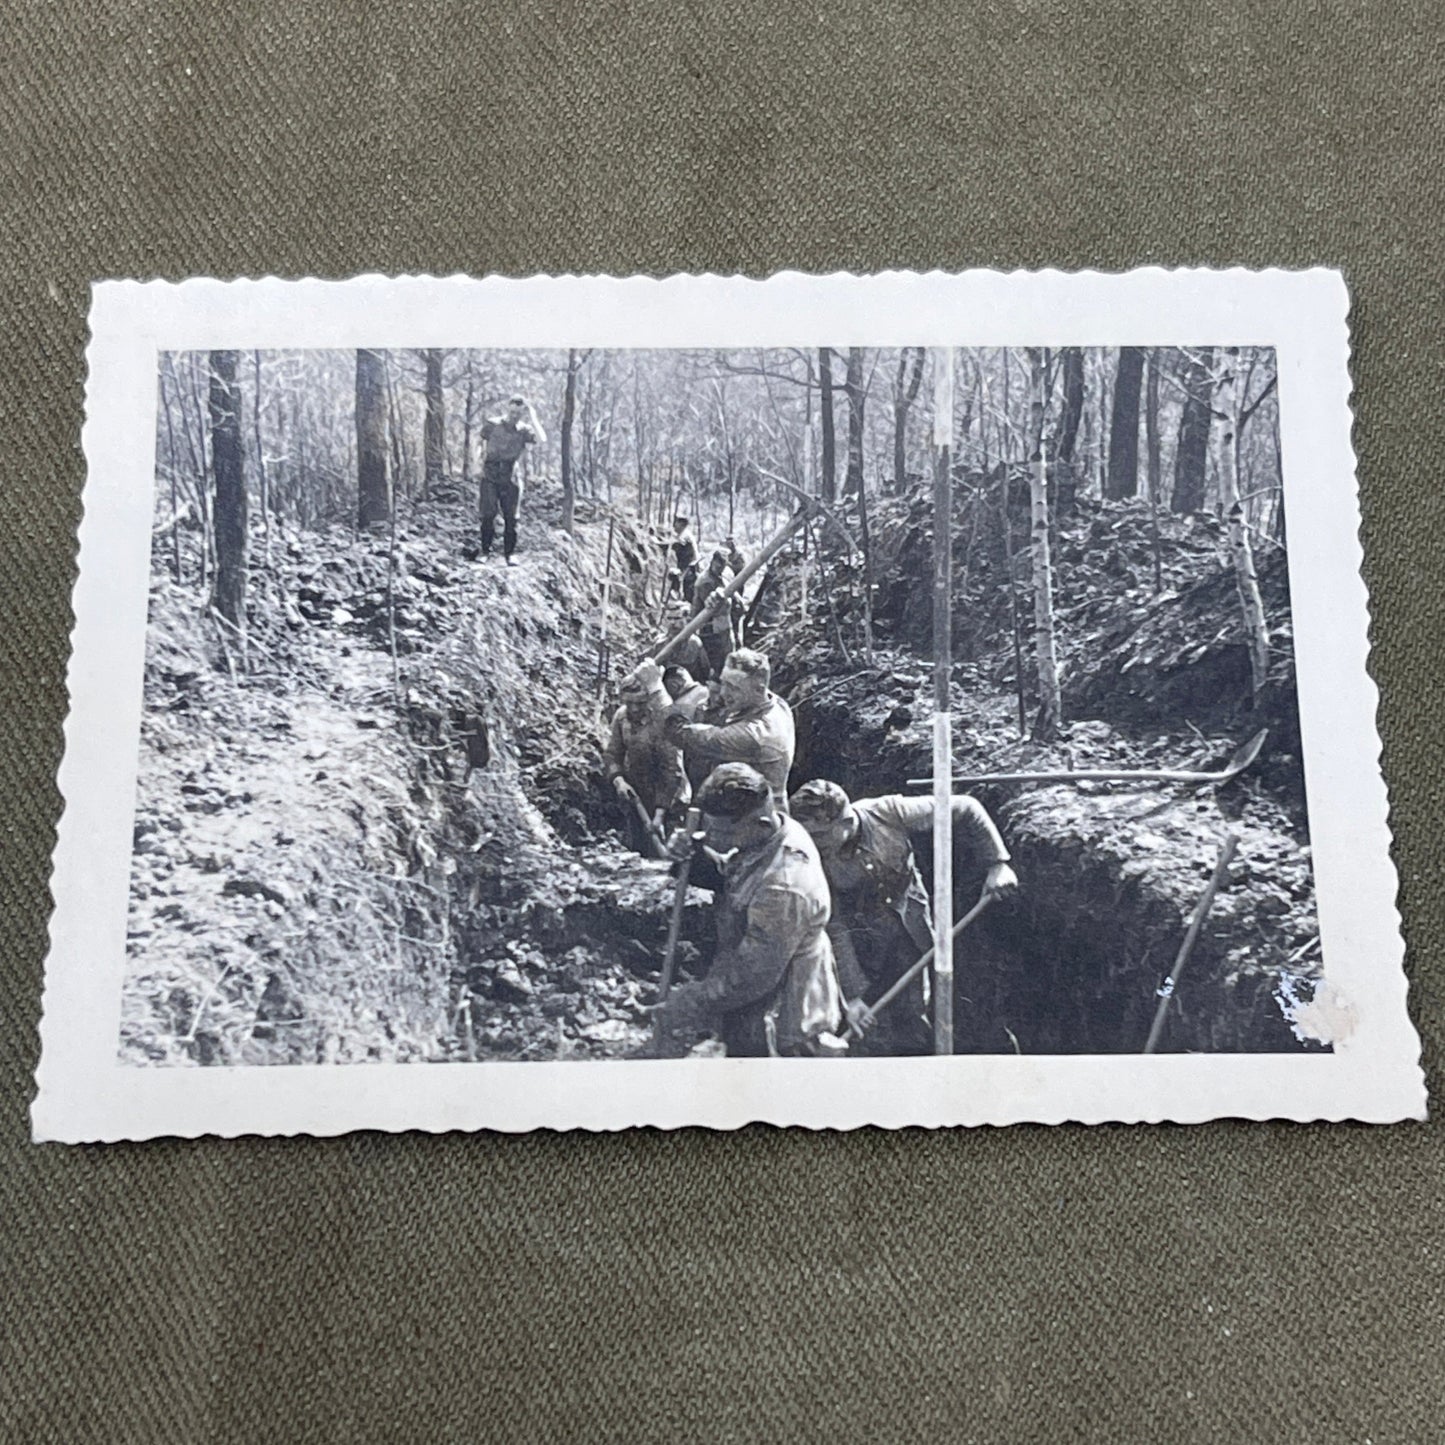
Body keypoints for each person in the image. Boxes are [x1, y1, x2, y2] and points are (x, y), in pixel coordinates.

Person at [789, 779, 1019, 1054]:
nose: (811, 844)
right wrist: (853, 996)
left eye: (820, 835)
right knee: (877, 1027)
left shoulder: (889, 812)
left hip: (914, 925)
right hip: (863, 945)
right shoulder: (814, 860)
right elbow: (834, 925)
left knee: (932, 1005)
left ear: (846, 822)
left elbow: (966, 808)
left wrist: (997, 864)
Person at [650, 764, 845, 1058]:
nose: (712, 838)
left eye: (721, 832)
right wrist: (693, 856)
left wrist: (690, 1000)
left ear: (761, 823)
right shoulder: (769, 833)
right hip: (753, 1002)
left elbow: (754, 976)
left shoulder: (784, 886)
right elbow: (734, 877)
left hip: (784, 1026)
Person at [662, 647, 794, 810]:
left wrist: (656, 690)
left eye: (733, 687)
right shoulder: (776, 703)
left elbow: (680, 733)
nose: (723, 693)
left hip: (755, 825)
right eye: (724, 683)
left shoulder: (753, 735)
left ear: (759, 689)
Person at [603, 660, 688, 855]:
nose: (633, 709)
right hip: (638, 798)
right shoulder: (621, 717)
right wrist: (619, 781)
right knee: (640, 855)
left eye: (640, 703)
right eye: (628, 702)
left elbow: (672, 769)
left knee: (671, 857)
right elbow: (612, 753)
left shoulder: (663, 721)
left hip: (670, 800)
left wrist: (660, 814)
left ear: (649, 699)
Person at [479, 394, 546, 565]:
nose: (514, 415)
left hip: (511, 475)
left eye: (519, 413)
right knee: (488, 514)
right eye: (513, 411)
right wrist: (478, 461)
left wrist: (533, 416)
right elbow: (480, 442)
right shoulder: (493, 424)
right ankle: (485, 551)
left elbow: (541, 439)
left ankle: (509, 554)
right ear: (508, 408)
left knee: (511, 517)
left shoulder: (524, 430)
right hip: (491, 473)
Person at [691, 541, 746, 679]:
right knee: (716, 661)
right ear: (713, 562)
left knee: (730, 653)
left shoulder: (724, 574)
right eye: (718, 565)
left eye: (723, 565)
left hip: (724, 624)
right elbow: (713, 608)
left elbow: (731, 588)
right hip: (709, 627)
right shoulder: (705, 581)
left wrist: (738, 601)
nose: (720, 568)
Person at [666, 514, 699, 603]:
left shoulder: (685, 536)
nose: (674, 525)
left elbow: (677, 546)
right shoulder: (683, 534)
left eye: (676, 523)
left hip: (690, 567)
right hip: (688, 566)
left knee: (687, 590)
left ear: (682, 524)